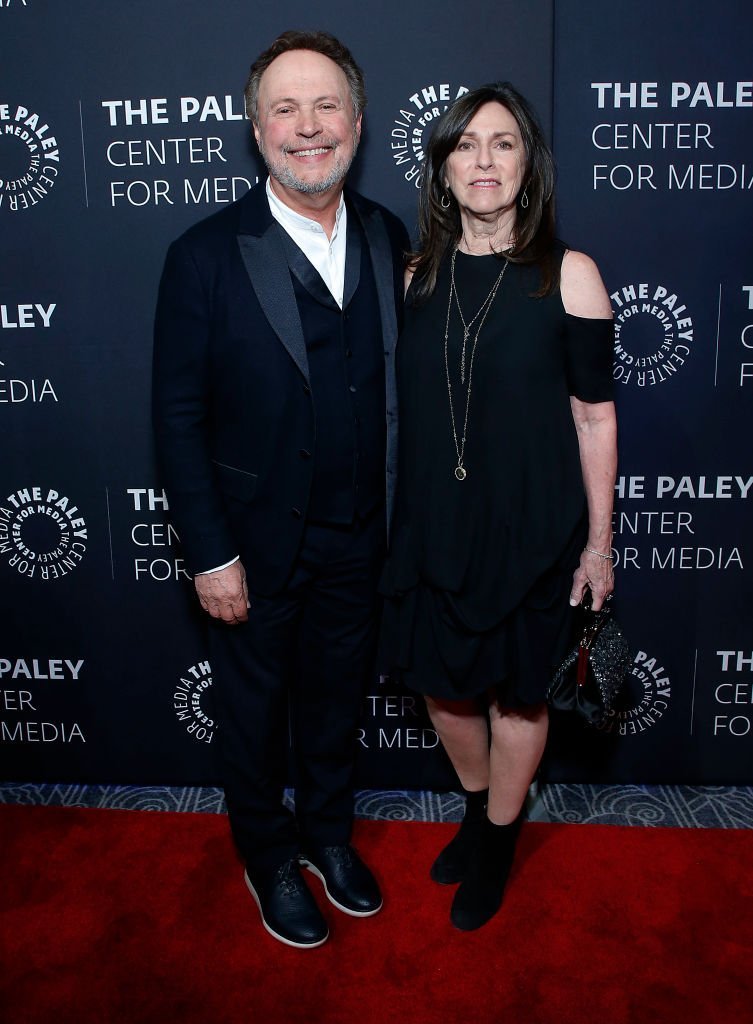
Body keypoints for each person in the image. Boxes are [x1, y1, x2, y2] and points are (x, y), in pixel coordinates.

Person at [153, 30, 408, 949]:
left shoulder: (387, 234)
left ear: (358, 119)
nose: (309, 127)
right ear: (256, 131)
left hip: (361, 536)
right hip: (253, 547)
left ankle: (330, 839)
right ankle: (268, 857)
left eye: (327, 104)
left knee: (338, 701)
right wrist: (211, 552)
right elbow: (177, 417)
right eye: (285, 109)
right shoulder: (205, 254)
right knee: (255, 716)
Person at [380, 82, 617, 931]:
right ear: (443, 166)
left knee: (518, 698)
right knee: (445, 694)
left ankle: (498, 836)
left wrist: (598, 545)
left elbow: (593, 416)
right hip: (433, 529)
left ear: (528, 164)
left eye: (504, 143)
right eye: (466, 144)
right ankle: (477, 809)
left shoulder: (569, 275)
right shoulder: (412, 277)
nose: (484, 160)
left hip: (533, 529)